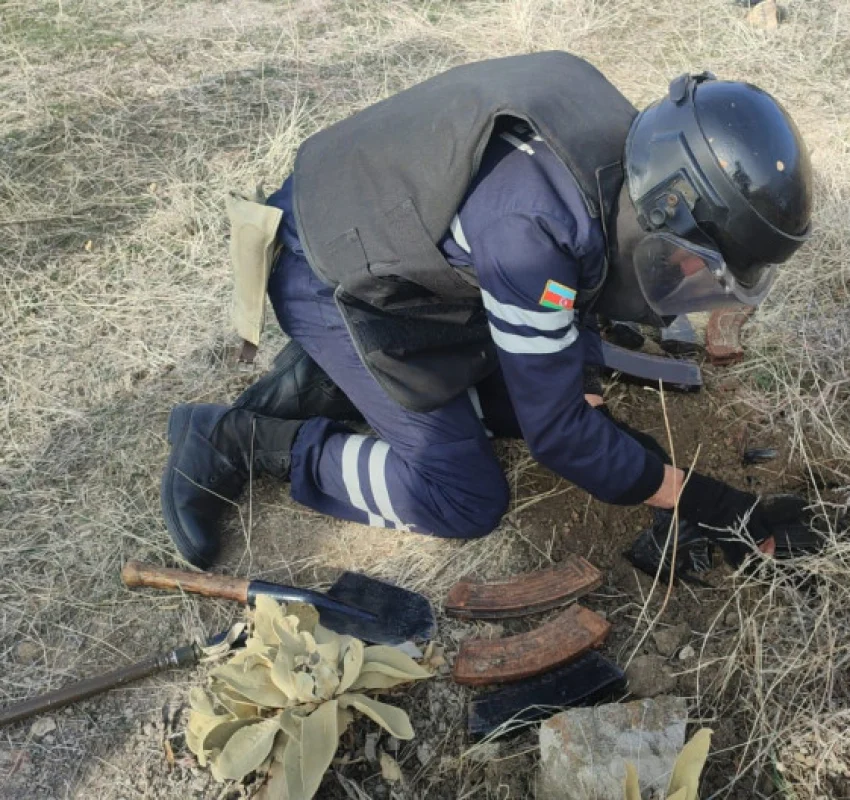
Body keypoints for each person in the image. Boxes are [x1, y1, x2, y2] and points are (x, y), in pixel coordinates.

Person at [160, 52, 816, 574]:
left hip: (393, 235)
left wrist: (584, 391)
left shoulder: (625, 148)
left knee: (545, 386)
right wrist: (705, 500)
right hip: (326, 268)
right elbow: (557, 433)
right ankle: (237, 440)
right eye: (698, 263)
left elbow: (578, 284)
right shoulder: (532, 231)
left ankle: (333, 378)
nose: (691, 283)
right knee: (463, 496)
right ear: (672, 208)